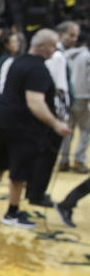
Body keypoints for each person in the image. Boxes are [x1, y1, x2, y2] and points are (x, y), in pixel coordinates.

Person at [0, 29, 71, 228]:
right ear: (42, 46)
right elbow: (35, 102)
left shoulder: (17, 61)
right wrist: (56, 123)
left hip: (0, 121)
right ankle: (12, 213)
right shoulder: (38, 69)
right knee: (18, 173)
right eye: (53, 45)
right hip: (21, 128)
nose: (54, 50)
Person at [29, 21, 79, 206]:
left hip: (55, 108)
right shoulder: (57, 57)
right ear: (60, 35)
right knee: (47, 155)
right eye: (71, 35)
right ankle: (37, 193)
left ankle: (36, 191)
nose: (74, 39)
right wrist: (61, 116)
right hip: (55, 110)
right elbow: (57, 88)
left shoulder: (59, 56)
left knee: (45, 154)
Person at [58, 26, 89, 174]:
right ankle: (79, 160)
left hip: (68, 96)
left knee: (68, 129)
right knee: (85, 130)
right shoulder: (87, 57)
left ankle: (63, 161)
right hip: (84, 97)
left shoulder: (66, 54)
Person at [0, 32, 23, 110]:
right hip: (3, 99)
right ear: (7, 45)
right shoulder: (4, 60)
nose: (17, 44)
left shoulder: (19, 58)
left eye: (17, 41)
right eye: (13, 41)